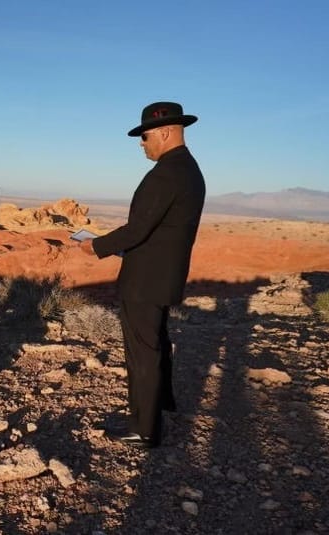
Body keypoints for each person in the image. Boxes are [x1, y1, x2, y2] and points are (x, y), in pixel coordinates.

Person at [78, 102, 206, 448]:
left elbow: (138, 229)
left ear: (165, 132)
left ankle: (144, 427)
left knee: (143, 351)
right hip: (163, 275)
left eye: (145, 135)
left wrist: (97, 246)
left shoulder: (167, 172)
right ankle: (162, 403)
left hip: (146, 279)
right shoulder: (189, 170)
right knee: (157, 341)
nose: (141, 143)